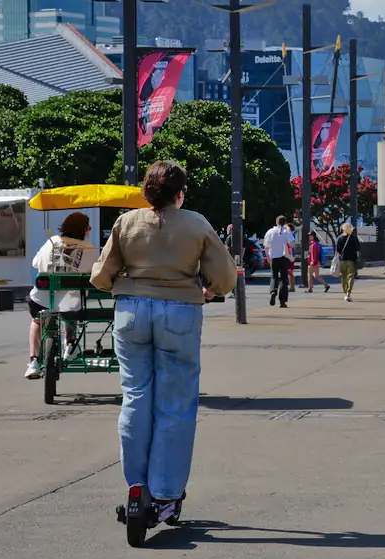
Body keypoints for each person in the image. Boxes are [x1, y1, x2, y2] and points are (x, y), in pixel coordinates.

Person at [90, 160, 237, 524]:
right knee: (176, 402)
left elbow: (101, 275)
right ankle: (166, 493)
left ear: (147, 192)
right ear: (180, 194)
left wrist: (125, 283)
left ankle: (136, 484)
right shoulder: (196, 223)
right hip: (179, 311)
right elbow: (224, 276)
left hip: (131, 312)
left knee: (135, 394)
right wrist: (209, 289)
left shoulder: (126, 222)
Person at [23, 211, 99, 379]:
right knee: (70, 309)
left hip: (42, 299)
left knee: (37, 321)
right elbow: (96, 271)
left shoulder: (52, 241)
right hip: (71, 303)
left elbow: (35, 263)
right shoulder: (88, 248)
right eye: (89, 229)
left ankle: (33, 361)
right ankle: (70, 345)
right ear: (84, 230)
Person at [263, 216, 295, 307]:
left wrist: (268, 257)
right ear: (285, 223)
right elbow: (291, 244)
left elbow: (266, 247)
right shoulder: (287, 232)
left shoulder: (270, 232)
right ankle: (282, 301)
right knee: (284, 278)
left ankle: (273, 291)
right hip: (284, 257)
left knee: (274, 276)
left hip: (273, 257)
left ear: (276, 222)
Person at [334, 222, 361, 302]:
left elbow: (337, 250)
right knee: (350, 276)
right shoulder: (353, 238)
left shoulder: (340, 238)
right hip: (352, 260)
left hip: (342, 260)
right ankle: (348, 293)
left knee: (343, 277)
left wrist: (335, 258)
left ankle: (345, 292)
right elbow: (358, 248)